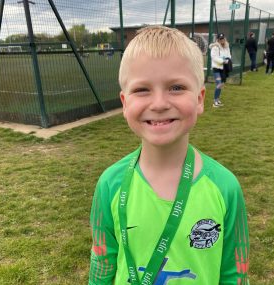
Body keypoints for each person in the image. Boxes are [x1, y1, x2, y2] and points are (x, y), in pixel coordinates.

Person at [88, 26, 249, 285]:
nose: (160, 103)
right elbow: (103, 261)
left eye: (176, 87)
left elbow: (234, 273)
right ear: (125, 102)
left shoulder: (225, 187)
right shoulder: (110, 184)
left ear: (199, 99)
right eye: (142, 90)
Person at [209, 33, 231, 108]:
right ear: (218, 39)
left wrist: (227, 59)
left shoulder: (226, 46)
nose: (222, 40)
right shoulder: (215, 47)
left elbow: (228, 55)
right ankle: (215, 101)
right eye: (220, 39)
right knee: (218, 84)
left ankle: (217, 99)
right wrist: (222, 61)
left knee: (221, 84)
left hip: (223, 68)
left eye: (223, 38)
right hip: (216, 68)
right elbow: (214, 57)